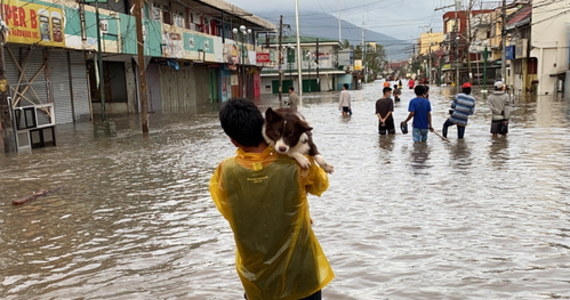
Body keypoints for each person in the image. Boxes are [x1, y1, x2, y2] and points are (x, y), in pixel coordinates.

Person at [210, 99, 334, 300]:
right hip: (302, 271)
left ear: (232, 140)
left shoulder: (225, 171)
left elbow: (229, 212)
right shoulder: (295, 164)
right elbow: (321, 186)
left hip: (257, 277)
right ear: (264, 124)